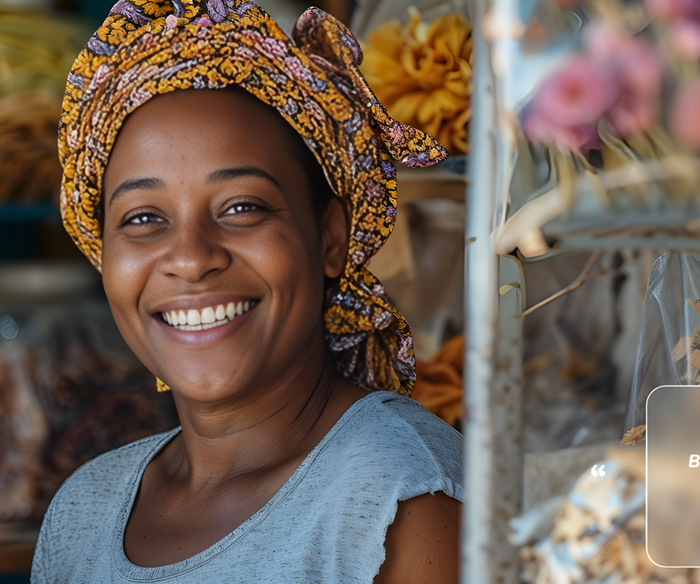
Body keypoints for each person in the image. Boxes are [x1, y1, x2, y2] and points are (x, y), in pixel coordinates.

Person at [31, 1, 463, 582]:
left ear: (330, 238)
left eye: (242, 207)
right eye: (141, 218)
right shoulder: (85, 510)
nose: (189, 257)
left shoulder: (400, 494)